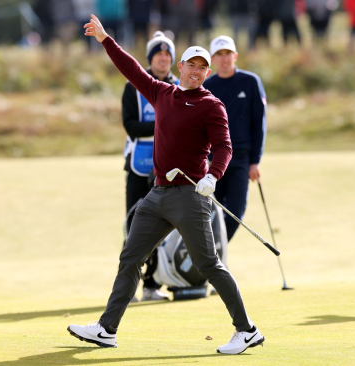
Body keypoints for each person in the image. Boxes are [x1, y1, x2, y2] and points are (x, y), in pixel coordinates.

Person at [68, 14, 264, 355]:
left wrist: (212, 176)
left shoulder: (211, 105)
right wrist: (105, 39)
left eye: (203, 68)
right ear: (181, 65)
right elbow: (131, 70)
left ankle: (246, 330)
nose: (197, 72)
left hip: (191, 196)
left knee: (209, 266)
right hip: (157, 194)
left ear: (206, 73)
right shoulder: (162, 93)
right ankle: (107, 329)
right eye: (192, 65)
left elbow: (225, 148)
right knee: (130, 257)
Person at [122, 31, 179, 301]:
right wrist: (162, 125)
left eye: (168, 54)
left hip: (167, 166)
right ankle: (127, 287)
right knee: (134, 226)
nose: (164, 58)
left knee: (159, 227)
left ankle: (151, 285)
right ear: (150, 58)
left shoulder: (179, 86)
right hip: (139, 164)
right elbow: (131, 126)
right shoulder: (133, 85)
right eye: (159, 54)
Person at [203, 35, 266, 242]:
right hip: (213, 161)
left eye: (228, 53)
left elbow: (259, 124)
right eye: (219, 54)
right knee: (211, 214)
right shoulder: (207, 87)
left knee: (235, 213)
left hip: (241, 158)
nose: (224, 58)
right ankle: (208, 262)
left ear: (235, 55)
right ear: (212, 59)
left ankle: (212, 257)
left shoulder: (250, 82)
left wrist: (255, 161)